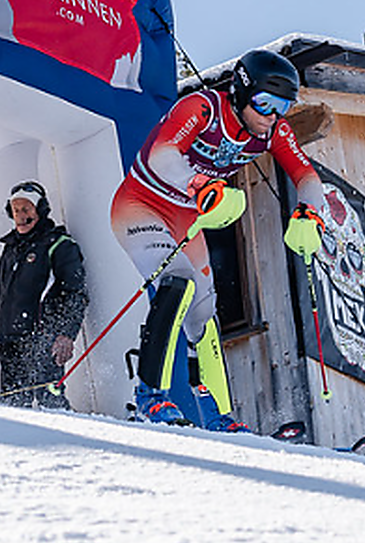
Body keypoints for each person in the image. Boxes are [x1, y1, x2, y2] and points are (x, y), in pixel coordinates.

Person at [110, 48, 325, 432]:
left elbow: (306, 177)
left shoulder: (273, 131)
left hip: (187, 218)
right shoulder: (203, 108)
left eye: (284, 107)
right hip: (141, 205)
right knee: (179, 283)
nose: (273, 116)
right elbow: (162, 156)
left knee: (203, 314)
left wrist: (309, 213)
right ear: (241, 92)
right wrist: (201, 184)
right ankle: (150, 397)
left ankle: (217, 416)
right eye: (265, 103)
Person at [0, 181, 88, 407]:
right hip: (10, 344)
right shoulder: (10, 248)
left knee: (50, 405)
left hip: (43, 341)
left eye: (26, 209)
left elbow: (76, 294)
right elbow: (4, 298)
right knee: (12, 409)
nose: (21, 216)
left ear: (40, 210)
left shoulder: (59, 245)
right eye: (15, 210)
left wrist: (67, 335)